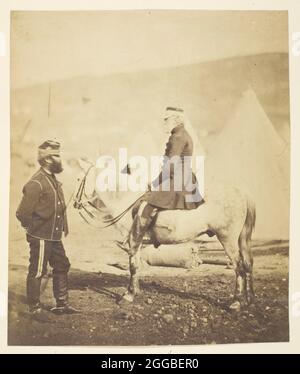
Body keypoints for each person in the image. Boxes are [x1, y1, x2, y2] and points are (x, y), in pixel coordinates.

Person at [120, 107, 204, 254]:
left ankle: (133, 243)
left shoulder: (177, 137)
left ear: (176, 120)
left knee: (146, 204)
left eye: (167, 119)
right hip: (183, 178)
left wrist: (154, 184)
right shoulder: (182, 134)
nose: (164, 123)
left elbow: (170, 167)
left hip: (178, 181)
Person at [16, 139, 79, 317]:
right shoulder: (36, 183)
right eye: (57, 156)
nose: (60, 159)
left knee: (62, 265)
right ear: (48, 160)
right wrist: (34, 230)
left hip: (53, 236)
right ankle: (34, 308)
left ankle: (61, 304)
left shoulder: (52, 179)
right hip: (42, 236)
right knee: (38, 270)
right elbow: (22, 213)